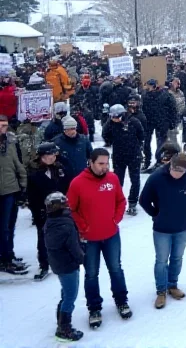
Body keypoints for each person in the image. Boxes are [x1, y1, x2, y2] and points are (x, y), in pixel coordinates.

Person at [67, 147, 132, 329]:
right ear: (91, 163)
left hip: (111, 235)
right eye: (101, 164)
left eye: (107, 163)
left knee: (116, 269)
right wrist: (83, 227)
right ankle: (94, 308)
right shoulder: (77, 183)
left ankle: (121, 301)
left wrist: (116, 219)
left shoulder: (112, 178)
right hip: (89, 239)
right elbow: (70, 209)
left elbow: (121, 200)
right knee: (91, 274)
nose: (104, 167)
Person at [139, 151, 186, 308]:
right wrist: (155, 214)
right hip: (162, 229)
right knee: (161, 260)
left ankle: (172, 285)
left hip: (182, 227)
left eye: (181, 172)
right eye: (175, 171)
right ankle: (161, 291)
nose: (178, 175)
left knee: (177, 257)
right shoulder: (156, 177)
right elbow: (143, 200)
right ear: (170, 166)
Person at [27, 142, 73, 281]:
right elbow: (32, 196)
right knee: (43, 237)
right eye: (49, 154)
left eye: (54, 154)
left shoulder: (61, 167)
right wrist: (38, 212)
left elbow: (69, 183)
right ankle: (44, 263)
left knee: (66, 233)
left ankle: (67, 258)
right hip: (44, 210)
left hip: (63, 209)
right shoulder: (34, 172)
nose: (52, 157)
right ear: (42, 156)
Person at [43, 191, 85, 342]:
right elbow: (74, 247)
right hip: (69, 266)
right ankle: (64, 328)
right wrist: (82, 259)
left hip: (58, 265)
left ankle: (60, 318)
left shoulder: (49, 224)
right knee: (70, 296)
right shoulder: (66, 225)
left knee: (65, 292)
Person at [103, 103, 145, 216]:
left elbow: (141, 135)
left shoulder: (134, 122)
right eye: (112, 117)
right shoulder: (110, 124)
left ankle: (132, 203)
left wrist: (136, 146)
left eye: (116, 117)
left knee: (135, 180)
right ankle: (117, 201)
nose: (114, 119)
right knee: (117, 181)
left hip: (133, 155)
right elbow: (105, 135)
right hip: (118, 155)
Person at [0, 114, 27, 274]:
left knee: (10, 226)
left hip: (11, 189)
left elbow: (17, 163)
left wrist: (23, 185)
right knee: (3, 228)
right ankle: (5, 259)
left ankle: (8, 254)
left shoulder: (10, 143)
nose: (2, 129)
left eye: (4, 126)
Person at [141, 78, 177, 172]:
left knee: (160, 142)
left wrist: (172, 122)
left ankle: (159, 160)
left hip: (162, 122)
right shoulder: (145, 95)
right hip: (149, 122)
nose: (147, 87)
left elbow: (172, 109)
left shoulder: (165, 95)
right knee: (146, 142)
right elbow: (142, 109)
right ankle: (147, 161)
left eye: (149, 86)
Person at [54, 116, 92, 185]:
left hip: (82, 176)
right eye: (69, 129)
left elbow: (91, 156)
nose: (72, 131)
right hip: (65, 179)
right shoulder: (57, 142)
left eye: (73, 128)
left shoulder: (84, 140)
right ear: (64, 130)